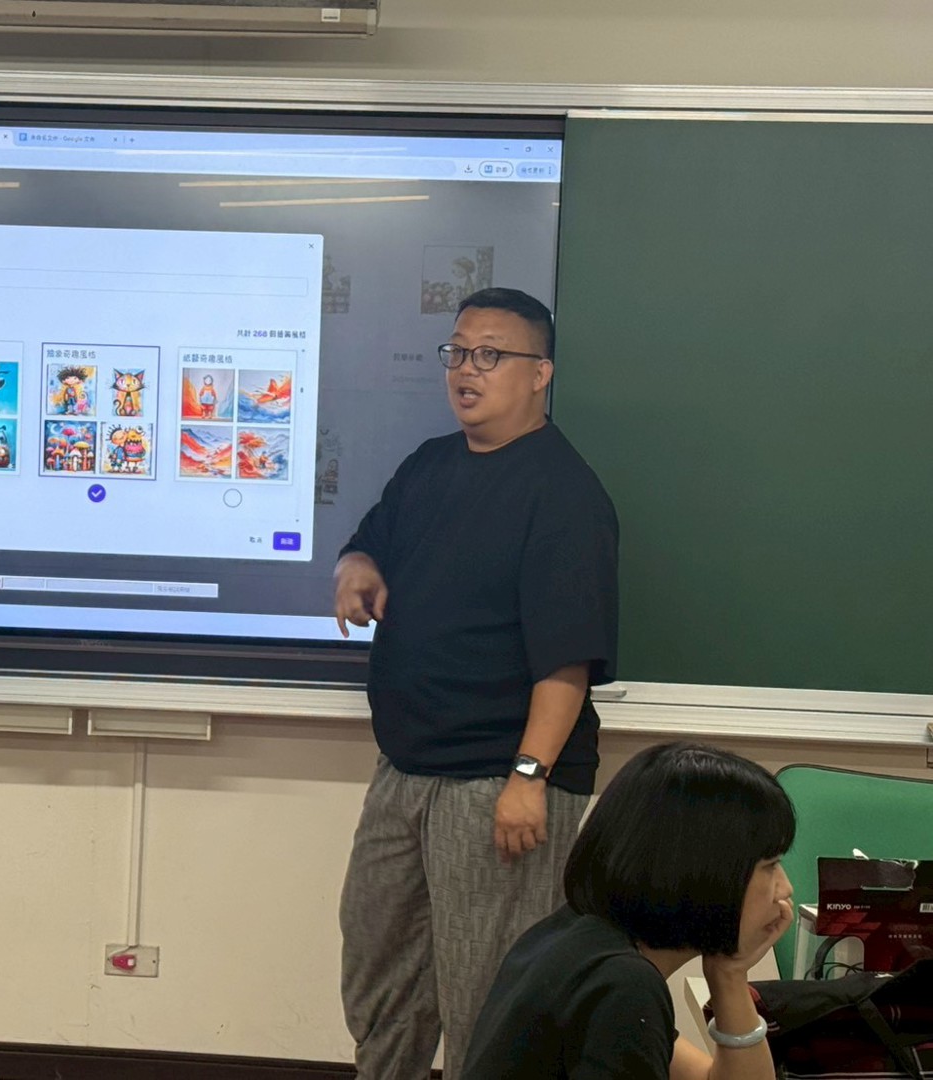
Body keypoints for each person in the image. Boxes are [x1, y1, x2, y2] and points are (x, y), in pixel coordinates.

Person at [334, 287, 618, 1079]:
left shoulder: (564, 494)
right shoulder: (430, 465)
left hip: (499, 781)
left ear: (540, 373)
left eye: (491, 355)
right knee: (379, 975)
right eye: (457, 352)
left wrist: (529, 776)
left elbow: (567, 661)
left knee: (485, 999)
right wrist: (356, 566)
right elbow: (368, 541)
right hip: (406, 768)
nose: (467, 370)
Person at [463, 741, 796, 1079]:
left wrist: (729, 975)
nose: (785, 889)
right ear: (703, 870)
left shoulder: (573, 937)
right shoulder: (621, 986)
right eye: (770, 866)